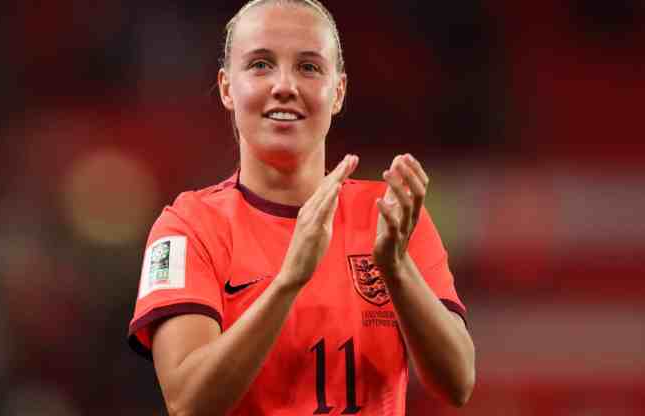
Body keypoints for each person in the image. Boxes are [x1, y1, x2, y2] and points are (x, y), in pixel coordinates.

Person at [127, 0, 475, 414]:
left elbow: (458, 383)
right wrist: (289, 280)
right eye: (260, 64)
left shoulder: (391, 217)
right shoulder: (188, 228)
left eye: (309, 67)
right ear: (226, 88)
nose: (285, 86)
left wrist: (397, 270)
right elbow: (188, 402)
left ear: (339, 91)